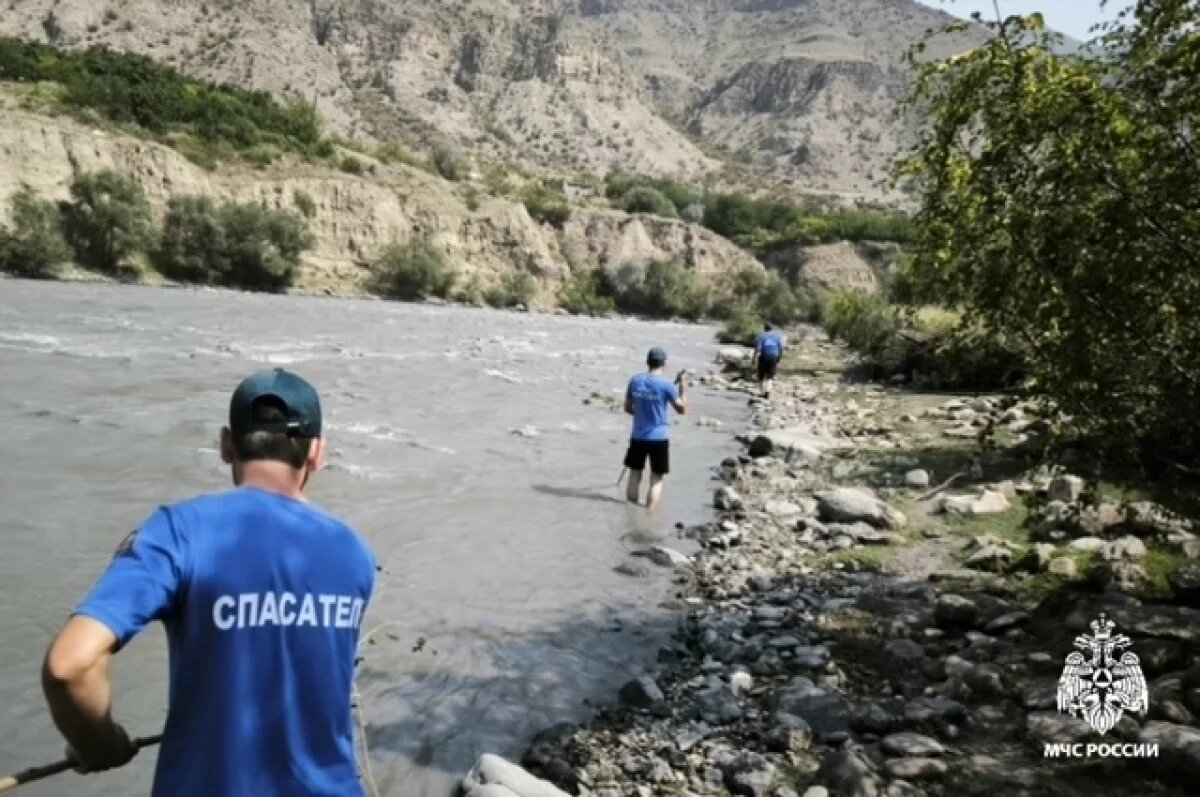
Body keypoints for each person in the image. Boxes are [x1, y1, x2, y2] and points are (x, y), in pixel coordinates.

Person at [40, 368, 377, 796]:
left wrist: (99, 745)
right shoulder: (355, 552)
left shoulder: (178, 532)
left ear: (226, 445)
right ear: (317, 453)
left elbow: (70, 666)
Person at [623, 346, 687, 511]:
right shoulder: (666, 385)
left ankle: (631, 512)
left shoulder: (635, 380)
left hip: (638, 436)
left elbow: (628, 407)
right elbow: (682, 409)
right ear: (663, 364)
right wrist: (683, 386)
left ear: (647, 362)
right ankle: (649, 514)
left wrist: (641, 415)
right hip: (659, 438)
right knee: (657, 478)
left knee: (634, 475)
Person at [752, 322, 786, 398]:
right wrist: (779, 358)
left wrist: (754, 358)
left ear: (764, 328)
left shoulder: (761, 336)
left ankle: (761, 392)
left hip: (764, 356)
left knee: (761, 375)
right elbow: (780, 348)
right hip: (774, 356)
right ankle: (768, 390)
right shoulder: (777, 336)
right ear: (772, 328)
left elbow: (757, 348)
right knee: (770, 375)